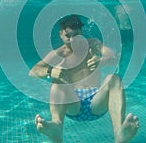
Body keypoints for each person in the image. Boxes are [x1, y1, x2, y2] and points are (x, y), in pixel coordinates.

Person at [29, 14, 139, 143]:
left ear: (81, 33)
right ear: (60, 34)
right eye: (67, 36)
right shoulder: (58, 54)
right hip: (73, 105)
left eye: (75, 35)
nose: (72, 40)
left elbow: (114, 58)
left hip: (96, 103)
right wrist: (50, 71)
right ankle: (57, 126)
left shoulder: (93, 44)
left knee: (113, 78)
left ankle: (119, 133)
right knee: (57, 83)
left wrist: (102, 61)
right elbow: (33, 71)